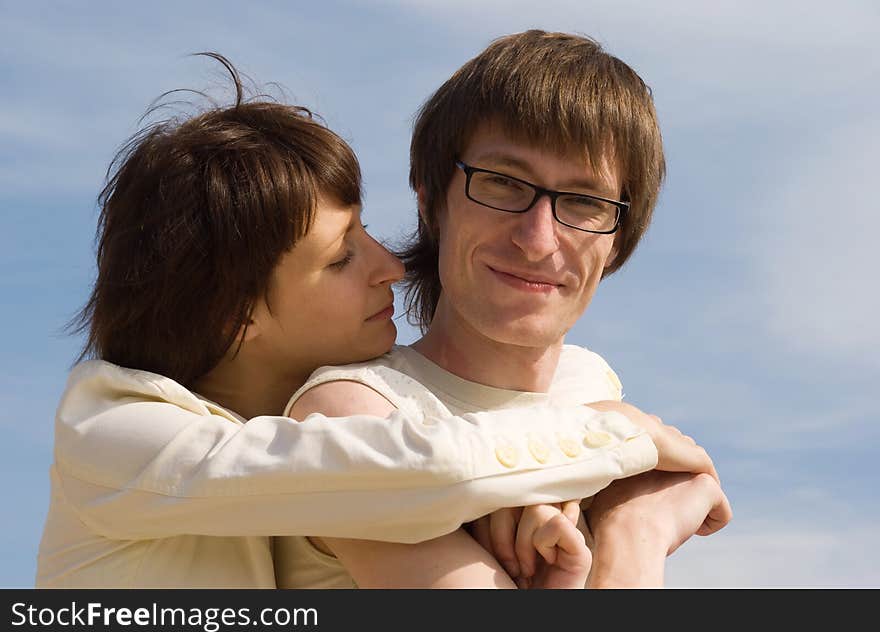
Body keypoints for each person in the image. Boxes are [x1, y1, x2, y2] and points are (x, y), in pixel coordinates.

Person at [36, 53, 713, 588]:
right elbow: (405, 467)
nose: (389, 264)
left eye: (585, 201)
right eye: (339, 259)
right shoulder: (118, 430)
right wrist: (630, 512)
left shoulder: (587, 380)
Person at [280, 29, 732, 588]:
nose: (538, 239)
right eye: (502, 184)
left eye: (585, 201)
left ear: (618, 238)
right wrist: (635, 533)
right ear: (431, 199)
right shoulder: (352, 412)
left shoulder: (588, 383)